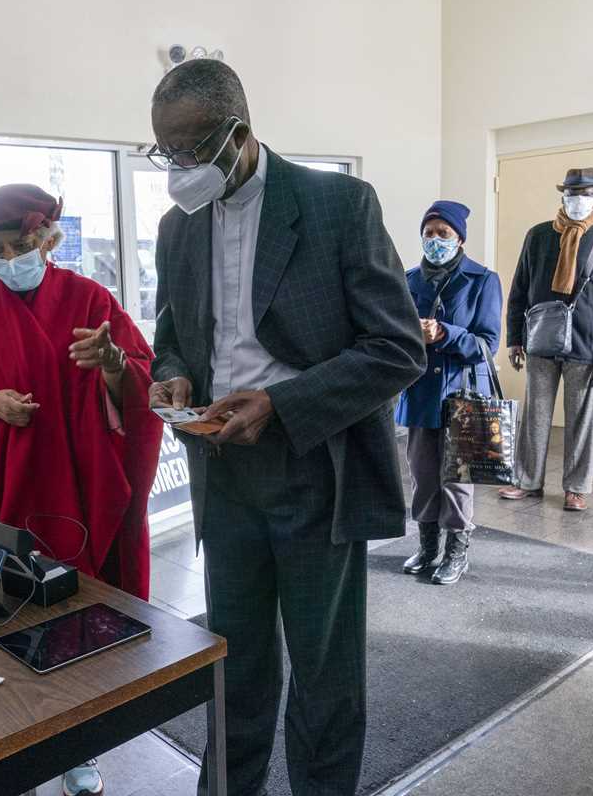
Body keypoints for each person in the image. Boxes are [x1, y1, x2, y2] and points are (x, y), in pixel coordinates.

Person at [147, 59, 426, 796]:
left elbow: (398, 348)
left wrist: (283, 403)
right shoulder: (178, 228)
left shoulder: (337, 205)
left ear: (238, 134)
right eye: (164, 153)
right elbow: (173, 333)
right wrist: (171, 374)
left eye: (189, 151)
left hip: (314, 467)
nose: (178, 167)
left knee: (323, 672)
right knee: (233, 663)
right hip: (223, 473)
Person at [0, 184, 162, 796]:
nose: (5, 260)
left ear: (46, 241)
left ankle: (80, 746)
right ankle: (18, 731)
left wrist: (110, 363)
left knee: (81, 618)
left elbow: (143, 378)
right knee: (9, 611)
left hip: (77, 480)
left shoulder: (88, 296)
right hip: (6, 483)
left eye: (16, 246)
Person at [500, 168, 593, 512]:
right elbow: (519, 291)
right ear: (562, 197)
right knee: (535, 416)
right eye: (573, 194)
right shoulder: (539, 236)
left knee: (582, 420)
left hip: (586, 347)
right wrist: (514, 338)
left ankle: (576, 487)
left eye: (587, 194)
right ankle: (527, 480)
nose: (579, 201)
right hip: (541, 340)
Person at [395, 200, 502, 585]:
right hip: (420, 392)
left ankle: (457, 551)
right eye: (429, 233)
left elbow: (487, 344)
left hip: (463, 392)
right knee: (423, 474)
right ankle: (427, 547)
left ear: (459, 239)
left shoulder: (483, 280)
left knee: (456, 478)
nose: (435, 240)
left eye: (443, 234)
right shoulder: (407, 280)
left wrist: (444, 333)